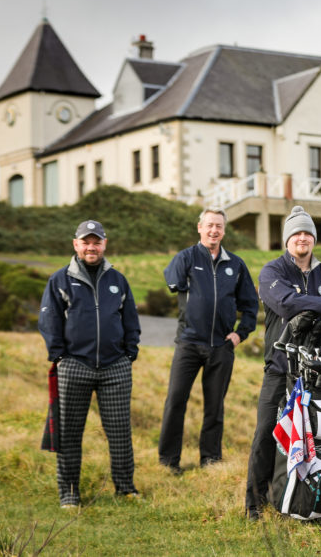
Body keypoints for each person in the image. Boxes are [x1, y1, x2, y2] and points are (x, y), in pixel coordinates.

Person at [244, 205, 321, 520]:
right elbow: (286, 304)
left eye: (307, 233)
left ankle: (312, 501)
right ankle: (255, 502)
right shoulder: (272, 272)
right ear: (287, 239)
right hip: (280, 369)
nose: (302, 238)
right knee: (267, 432)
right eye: (296, 233)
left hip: (318, 375)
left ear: (313, 239)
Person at [38, 220, 141, 508]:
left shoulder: (118, 280)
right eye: (86, 242)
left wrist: (129, 353)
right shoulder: (59, 280)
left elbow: (130, 320)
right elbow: (48, 322)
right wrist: (59, 356)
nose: (91, 247)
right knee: (69, 433)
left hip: (115, 368)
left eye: (96, 242)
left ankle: (125, 489)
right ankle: (69, 492)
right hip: (74, 366)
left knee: (120, 433)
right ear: (76, 245)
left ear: (104, 245)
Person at [158, 208, 259, 472]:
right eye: (210, 225)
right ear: (199, 227)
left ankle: (210, 459)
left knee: (215, 406)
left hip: (221, 346)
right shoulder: (186, 258)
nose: (214, 230)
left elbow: (250, 305)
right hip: (189, 343)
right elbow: (172, 282)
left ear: (224, 231)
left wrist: (240, 334)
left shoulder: (235, 265)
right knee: (175, 400)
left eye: (219, 226)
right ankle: (168, 461)